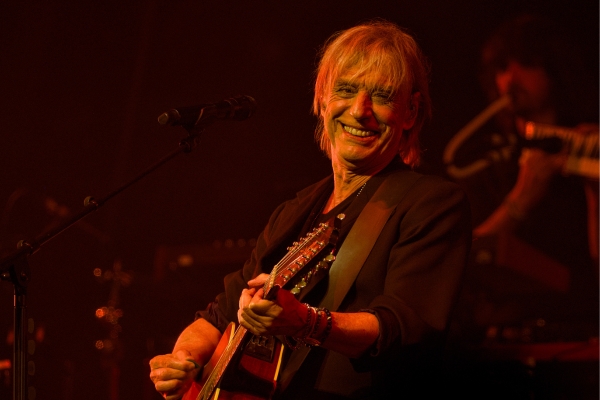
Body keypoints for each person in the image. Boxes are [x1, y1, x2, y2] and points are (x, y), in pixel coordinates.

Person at [149, 21, 471, 399]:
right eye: (346, 90)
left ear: (411, 112)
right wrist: (183, 360)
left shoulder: (430, 203)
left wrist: (306, 322)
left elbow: (406, 327)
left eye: (382, 96)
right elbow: (218, 316)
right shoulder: (295, 211)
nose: (360, 110)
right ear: (321, 100)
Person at [444, 14, 599, 398]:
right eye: (501, 68)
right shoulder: (481, 162)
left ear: (554, 71)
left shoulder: (586, 148)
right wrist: (522, 198)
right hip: (500, 348)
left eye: (525, 64)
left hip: (580, 343)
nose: (510, 79)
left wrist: (594, 191)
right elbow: (459, 257)